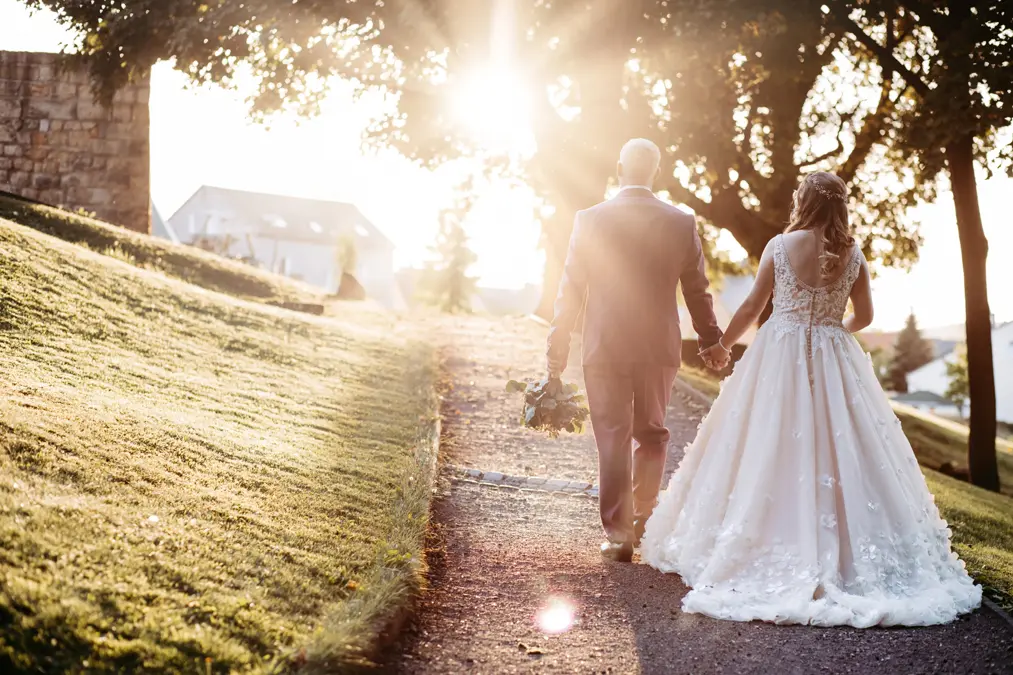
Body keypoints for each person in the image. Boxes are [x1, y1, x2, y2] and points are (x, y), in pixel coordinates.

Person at [640, 171, 982, 627]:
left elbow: (752, 306)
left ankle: (758, 538)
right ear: (840, 206)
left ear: (804, 202)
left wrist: (722, 345)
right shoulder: (853, 254)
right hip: (833, 352)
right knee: (840, 443)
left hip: (777, 351)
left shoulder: (780, 247)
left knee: (767, 438)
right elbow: (866, 316)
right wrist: (833, 327)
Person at [546, 138, 730, 563]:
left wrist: (557, 347)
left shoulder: (589, 220)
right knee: (651, 433)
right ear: (656, 172)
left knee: (612, 436)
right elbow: (698, 291)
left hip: (605, 345)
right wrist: (710, 341)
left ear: (619, 167)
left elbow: (569, 289)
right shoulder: (681, 222)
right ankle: (644, 519)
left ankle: (617, 535)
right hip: (656, 344)